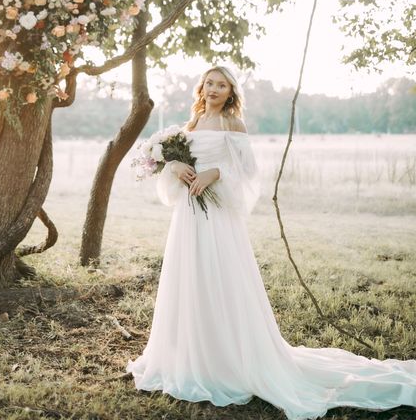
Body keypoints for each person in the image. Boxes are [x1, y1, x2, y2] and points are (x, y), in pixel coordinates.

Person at [126, 65, 416, 420]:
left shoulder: (233, 125)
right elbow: (174, 167)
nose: (214, 89)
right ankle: (189, 354)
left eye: (222, 85)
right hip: (188, 215)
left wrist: (213, 172)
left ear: (231, 92)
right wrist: (174, 167)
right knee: (190, 278)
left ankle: (227, 357)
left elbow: (247, 173)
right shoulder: (192, 125)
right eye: (209, 83)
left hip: (217, 216)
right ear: (201, 88)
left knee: (221, 278)